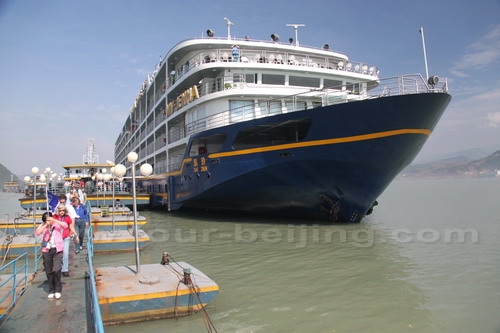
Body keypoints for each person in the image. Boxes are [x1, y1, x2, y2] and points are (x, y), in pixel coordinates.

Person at [36, 211, 67, 299]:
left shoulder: (57, 225)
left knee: (56, 269)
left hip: (57, 250)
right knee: (49, 271)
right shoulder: (43, 225)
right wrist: (46, 225)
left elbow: (65, 225)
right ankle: (51, 289)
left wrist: (54, 220)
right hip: (47, 250)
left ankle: (57, 289)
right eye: (47, 220)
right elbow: (37, 233)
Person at [53, 203, 78, 277]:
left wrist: (76, 235)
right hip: (57, 238)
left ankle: (65, 269)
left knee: (65, 253)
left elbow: (71, 227)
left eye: (63, 210)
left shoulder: (67, 217)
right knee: (57, 253)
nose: (62, 212)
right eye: (60, 210)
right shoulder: (54, 217)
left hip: (65, 237)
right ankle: (57, 268)